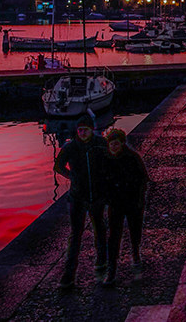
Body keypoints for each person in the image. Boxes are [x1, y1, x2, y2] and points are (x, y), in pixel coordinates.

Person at [53, 115, 109, 289]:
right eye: (80, 130)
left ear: (92, 129)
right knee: (75, 235)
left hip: (97, 196)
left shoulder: (101, 143)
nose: (83, 132)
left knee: (99, 230)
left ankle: (101, 263)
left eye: (86, 129)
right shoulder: (70, 147)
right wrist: (72, 177)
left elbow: (112, 161)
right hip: (77, 197)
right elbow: (58, 166)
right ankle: (69, 274)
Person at [101, 127, 149, 287]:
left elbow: (143, 179)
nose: (114, 147)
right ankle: (112, 271)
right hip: (115, 204)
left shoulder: (132, 158)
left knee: (135, 231)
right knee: (114, 237)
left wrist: (140, 199)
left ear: (122, 144)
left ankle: (135, 255)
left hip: (132, 202)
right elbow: (101, 181)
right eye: (111, 144)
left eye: (116, 144)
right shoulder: (106, 160)